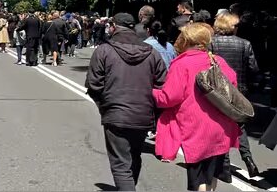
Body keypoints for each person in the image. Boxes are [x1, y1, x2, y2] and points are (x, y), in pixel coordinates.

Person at [153, 23, 240, 191]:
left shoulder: (182, 64)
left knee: (198, 177)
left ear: (187, 39)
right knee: (212, 174)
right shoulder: (217, 60)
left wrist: (152, 93)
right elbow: (233, 87)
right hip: (220, 126)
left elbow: (170, 97)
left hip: (195, 129)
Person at [85, 13, 167, 192]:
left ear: (113, 27)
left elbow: (93, 84)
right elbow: (162, 85)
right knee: (134, 156)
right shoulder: (151, 52)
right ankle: (129, 186)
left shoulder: (104, 50)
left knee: (121, 163)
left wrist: (104, 106)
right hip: (143, 114)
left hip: (115, 113)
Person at [211, 12, 260, 178]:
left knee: (220, 125)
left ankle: (224, 167)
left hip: (218, 89)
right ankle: (248, 159)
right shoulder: (245, 44)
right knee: (240, 126)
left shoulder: (212, 43)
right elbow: (253, 68)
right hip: (240, 89)